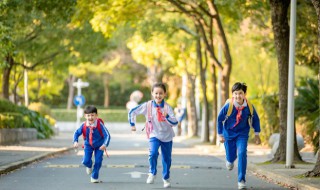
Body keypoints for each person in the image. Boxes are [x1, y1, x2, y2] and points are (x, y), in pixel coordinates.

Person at [128, 82, 178, 188]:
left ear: (165, 94)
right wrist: (132, 124)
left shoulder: (167, 108)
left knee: (166, 159)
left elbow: (175, 122)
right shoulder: (148, 105)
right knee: (153, 153)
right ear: (152, 93)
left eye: (161, 93)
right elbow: (132, 112)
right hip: (153, 134)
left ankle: (166, 178)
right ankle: (152, 172)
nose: (158, 96)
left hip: (167, 136)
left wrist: (167, 116)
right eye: (156, 93)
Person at [217, 82, 261, 190]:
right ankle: (230, 160)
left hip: (242, 134)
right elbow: (219, 119)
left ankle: (241, 180)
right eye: (235, 93)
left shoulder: (249, 107)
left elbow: (256, 119)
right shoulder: (229, 105)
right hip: (229, 134)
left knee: (242, 153)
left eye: (240, 93)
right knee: (231, 156)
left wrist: (257, 134)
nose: (238, 96)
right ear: (232, 94)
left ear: (244, 94)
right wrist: (220, 134)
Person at [73, 105, 111, 183]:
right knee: (85, 161)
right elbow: (76, 133)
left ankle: (94, 177)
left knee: (98, 161)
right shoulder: (84, 125)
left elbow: (107, 135)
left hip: (100, 146)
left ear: (96, 115)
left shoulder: (99, 125)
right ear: (85, 116)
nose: (90, 117)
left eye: (92, 115)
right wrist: (75, 141)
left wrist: (105, 144)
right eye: (88, 115)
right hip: (88, 145)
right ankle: (89, 165)